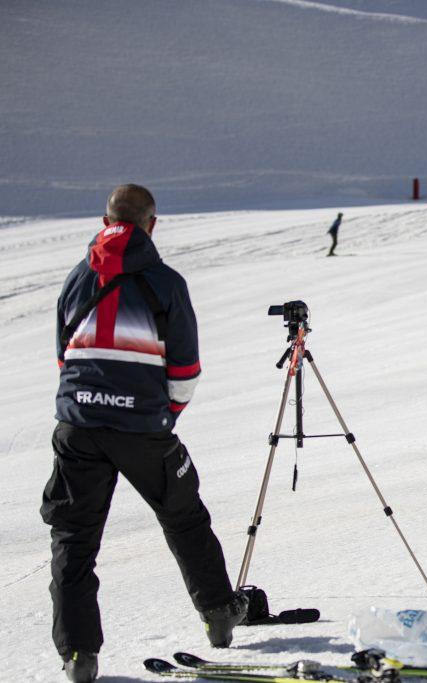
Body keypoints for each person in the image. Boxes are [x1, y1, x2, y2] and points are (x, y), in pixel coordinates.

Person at [44, 184, 247, 683]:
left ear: (105, 218)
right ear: (151, 224)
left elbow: (63, 355)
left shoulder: (76, 278)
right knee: (184, 517)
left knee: (73, 536)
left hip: (78, 425)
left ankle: (78, 656)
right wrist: (162, 415)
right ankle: (219, 613)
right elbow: (185, 370)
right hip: (141, 428)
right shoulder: (165, 283)